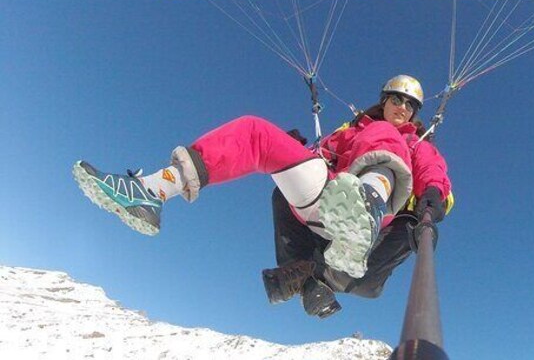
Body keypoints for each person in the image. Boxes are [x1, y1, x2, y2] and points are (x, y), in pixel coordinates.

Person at [73, 75, 453, 318]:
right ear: (383, 100)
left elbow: (433, 176)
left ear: (415, 113)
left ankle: (363, 210)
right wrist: (295, 148)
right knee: (256, 131)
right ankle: (152, 191)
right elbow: (320, 157)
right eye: (395, 100)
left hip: (376, 217)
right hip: (326, 200)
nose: (401, 108)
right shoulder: (348, 131)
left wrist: (434, 198)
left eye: (409, 105)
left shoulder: (416, 143)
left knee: (385, 138)